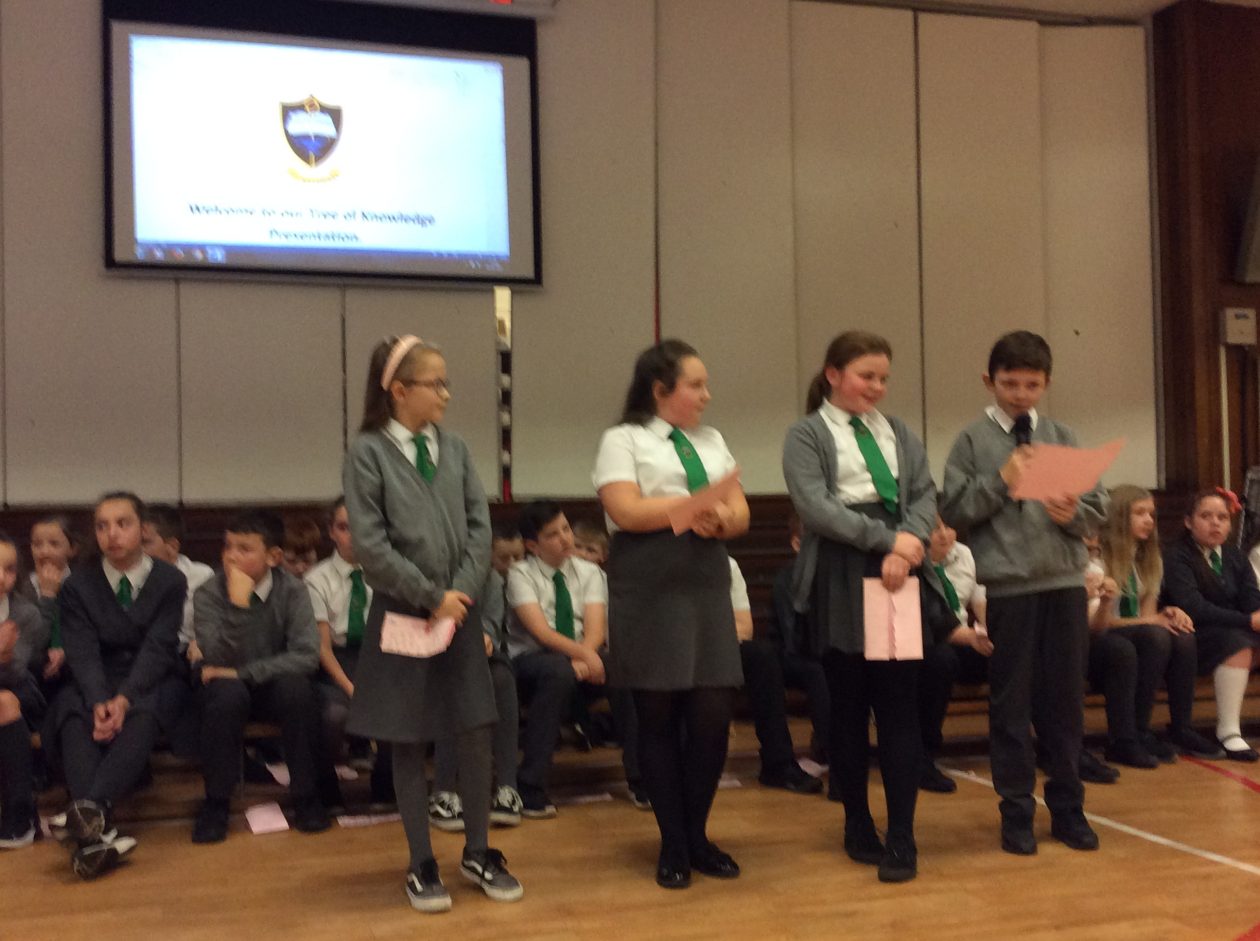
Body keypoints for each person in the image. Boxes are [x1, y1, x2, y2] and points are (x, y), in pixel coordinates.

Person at [343, 334, 522, 911]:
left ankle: (478, 850)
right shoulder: (368, 453)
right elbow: (371, 546)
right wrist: (429, 595)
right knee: (406, 737)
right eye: (435, 383)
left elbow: (479, 529)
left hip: (458, 613)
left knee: (474, 729)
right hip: (403, 615)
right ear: (399, 391)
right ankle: (421, 860)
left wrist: (459, 594)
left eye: (446, 383)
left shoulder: (457, 448)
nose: (445, 393)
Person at [783, 330, 945, 884]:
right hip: (843, 570)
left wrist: (909, 542)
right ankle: (857, 823)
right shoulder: (807, 434)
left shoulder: (898, 431)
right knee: (849, 709)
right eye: (865, 376)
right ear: (834, 375)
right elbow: (816, 507)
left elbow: (923, 494)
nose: (876, 387)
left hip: (899, 568)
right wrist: (887, 541)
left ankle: (902, 836)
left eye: (883, 378)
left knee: (898, 708)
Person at [940, 330, 1106, 856]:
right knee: (1011, 704)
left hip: (1064, 583)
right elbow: (954, 511)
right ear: (989, 381)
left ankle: (1068, 809)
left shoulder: (1062, 435)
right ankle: (1015, 812)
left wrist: (1072, 514)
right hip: (1010, 588)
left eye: (1031, 385)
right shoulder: (971, 441)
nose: (1020, 394)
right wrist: (1000, 480)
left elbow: (1097, 508)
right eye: (1010, 383)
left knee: (1065, 704)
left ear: (1046, 384)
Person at [594, 339, 749, 890]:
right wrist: (696, 506)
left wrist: (721, 520)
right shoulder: (623, 439)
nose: (706, 395)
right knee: (657, 716)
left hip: (704, 579)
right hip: (649, 582)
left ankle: (698, 833)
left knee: (712, 716)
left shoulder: (712, 440)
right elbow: (625, 509)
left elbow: (740, 512)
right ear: (661, 390)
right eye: (695, 385)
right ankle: (674, 842)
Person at [48, 492, 185, 879]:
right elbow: (81, 650)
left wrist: (123, 700)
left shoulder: (169, 580)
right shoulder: (78, 585)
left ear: (143, 529)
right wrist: (98, 700)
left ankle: (90, 812)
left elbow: (160, 646)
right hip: (97, 673)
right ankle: (95, 828)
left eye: (122, 523)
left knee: (145, 710)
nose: (112, 534)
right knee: (73, 711)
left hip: (151, 674)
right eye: (102, 526)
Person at [192, 510, 336, 843]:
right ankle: (216, 803)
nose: (231, 556)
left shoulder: (293, 591)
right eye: (228, 546)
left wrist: (244, 673)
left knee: (297, 690)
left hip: (272, 682)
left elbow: (306, 656)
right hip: (226, 687)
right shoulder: (208, 593)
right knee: (225, 694)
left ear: (273, 557)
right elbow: (216, 657)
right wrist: (238, 606)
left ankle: (306, 796)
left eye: (244, 549)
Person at [505, 500, 642, 816]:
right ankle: (531, 786)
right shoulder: (520, 574)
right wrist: (581, 658)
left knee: (621, 667)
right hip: (532, 659)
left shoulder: (589, 572)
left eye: (566, 529)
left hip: (582, 655)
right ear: (532, 545)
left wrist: (587, 656)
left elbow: (595, 627)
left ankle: (641, 779)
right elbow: (541, 633)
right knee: (557, 671)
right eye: (552, 535)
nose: (565, 539)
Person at [1090, 485, 1221, 765]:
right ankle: (1126, 738)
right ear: (1119, 517)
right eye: (1139, 513)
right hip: (1099, 639)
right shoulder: (1099, 557)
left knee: (1181, 636)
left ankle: (1175, 728)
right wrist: (1152, 621)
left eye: (1151, 514)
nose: (1149, 520)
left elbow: (1148, 616)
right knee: (1152, 636)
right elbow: (1096, 625)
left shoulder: (1148, 558)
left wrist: (1168, 614)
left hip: (1134, 634)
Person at [305, 496, 393, 807]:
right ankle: (325, 786)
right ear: (332, 531)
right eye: (344, 527)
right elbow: (322, 647)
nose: (353, 536)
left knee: (398, 706)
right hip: (336, 663)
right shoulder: (317, 579)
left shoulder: (386, 573)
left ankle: (386, 784)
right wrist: (351, 688)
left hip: (380, 658)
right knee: (335, 715)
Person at [1162, 488, 1260, 761]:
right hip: (1193, 632)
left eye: (1222, 517)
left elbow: (1250, 596)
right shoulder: (1177, 555)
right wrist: (1248, 620)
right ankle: (1228, 730)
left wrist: (1257, 613)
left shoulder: (1234, 556)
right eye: (1206, 516)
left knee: (1243, 638)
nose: (1215, 523)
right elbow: (1194, 606)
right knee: (1236, 643)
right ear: (1188, 521)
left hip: (1232, 626)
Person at [732, 556, 822, 795]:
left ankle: (778, 764)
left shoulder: (728, 566)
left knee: (762, 655)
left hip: (720, 647)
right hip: (678, 651)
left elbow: (744, 628)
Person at [919, 516, 992, 793]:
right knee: (940, 662)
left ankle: (1014, 747)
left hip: (964, 637)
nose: (944, 534)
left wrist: (989, 634)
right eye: (934, 528)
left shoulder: (965, 554)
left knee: (1009, 657)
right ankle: (923, 757)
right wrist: (972, 637)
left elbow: (980, 601)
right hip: (926, 641)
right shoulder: (913, 561)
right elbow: (930, 622)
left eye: (948, 527)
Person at [0, 532, 47, 848]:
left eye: (9, 569)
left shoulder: (24, 614)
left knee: (4, 701)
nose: (1, 577)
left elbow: (16, 671)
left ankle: (20, 817)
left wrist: (3, 657)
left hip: (18, 695)